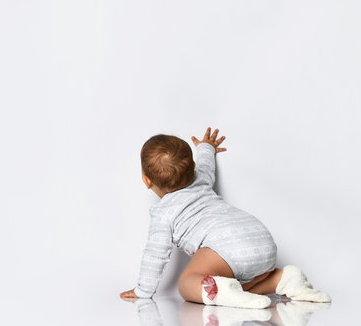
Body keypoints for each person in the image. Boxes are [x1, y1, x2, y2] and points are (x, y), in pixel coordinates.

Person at [119, 128, 331, 308]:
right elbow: (205, 164)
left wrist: (143, 291)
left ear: (146, 181)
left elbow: (155, 255)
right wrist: (206, 147)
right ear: (192, 167)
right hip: (260, 238)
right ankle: (283, 279)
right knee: (243, 278)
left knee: (186, 284)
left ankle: (226, 293)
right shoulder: (201, 179)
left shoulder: (162, 213)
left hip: (228, 247)